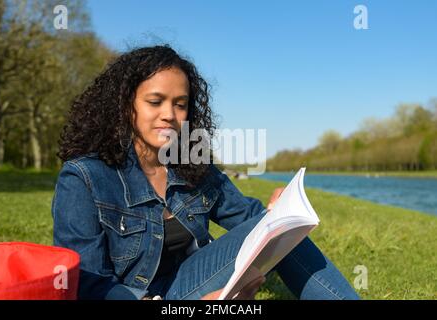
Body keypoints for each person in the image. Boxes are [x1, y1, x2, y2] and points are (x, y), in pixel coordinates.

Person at [52, 45, 360, 300]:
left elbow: (245, 215)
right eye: (155, 102)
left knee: (281, 224)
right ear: (125, 105)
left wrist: (278, 210)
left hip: (189, 283)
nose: (169, 115)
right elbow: (87, 285)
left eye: (180, 104)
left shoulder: (191, 164)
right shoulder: (84, 176)